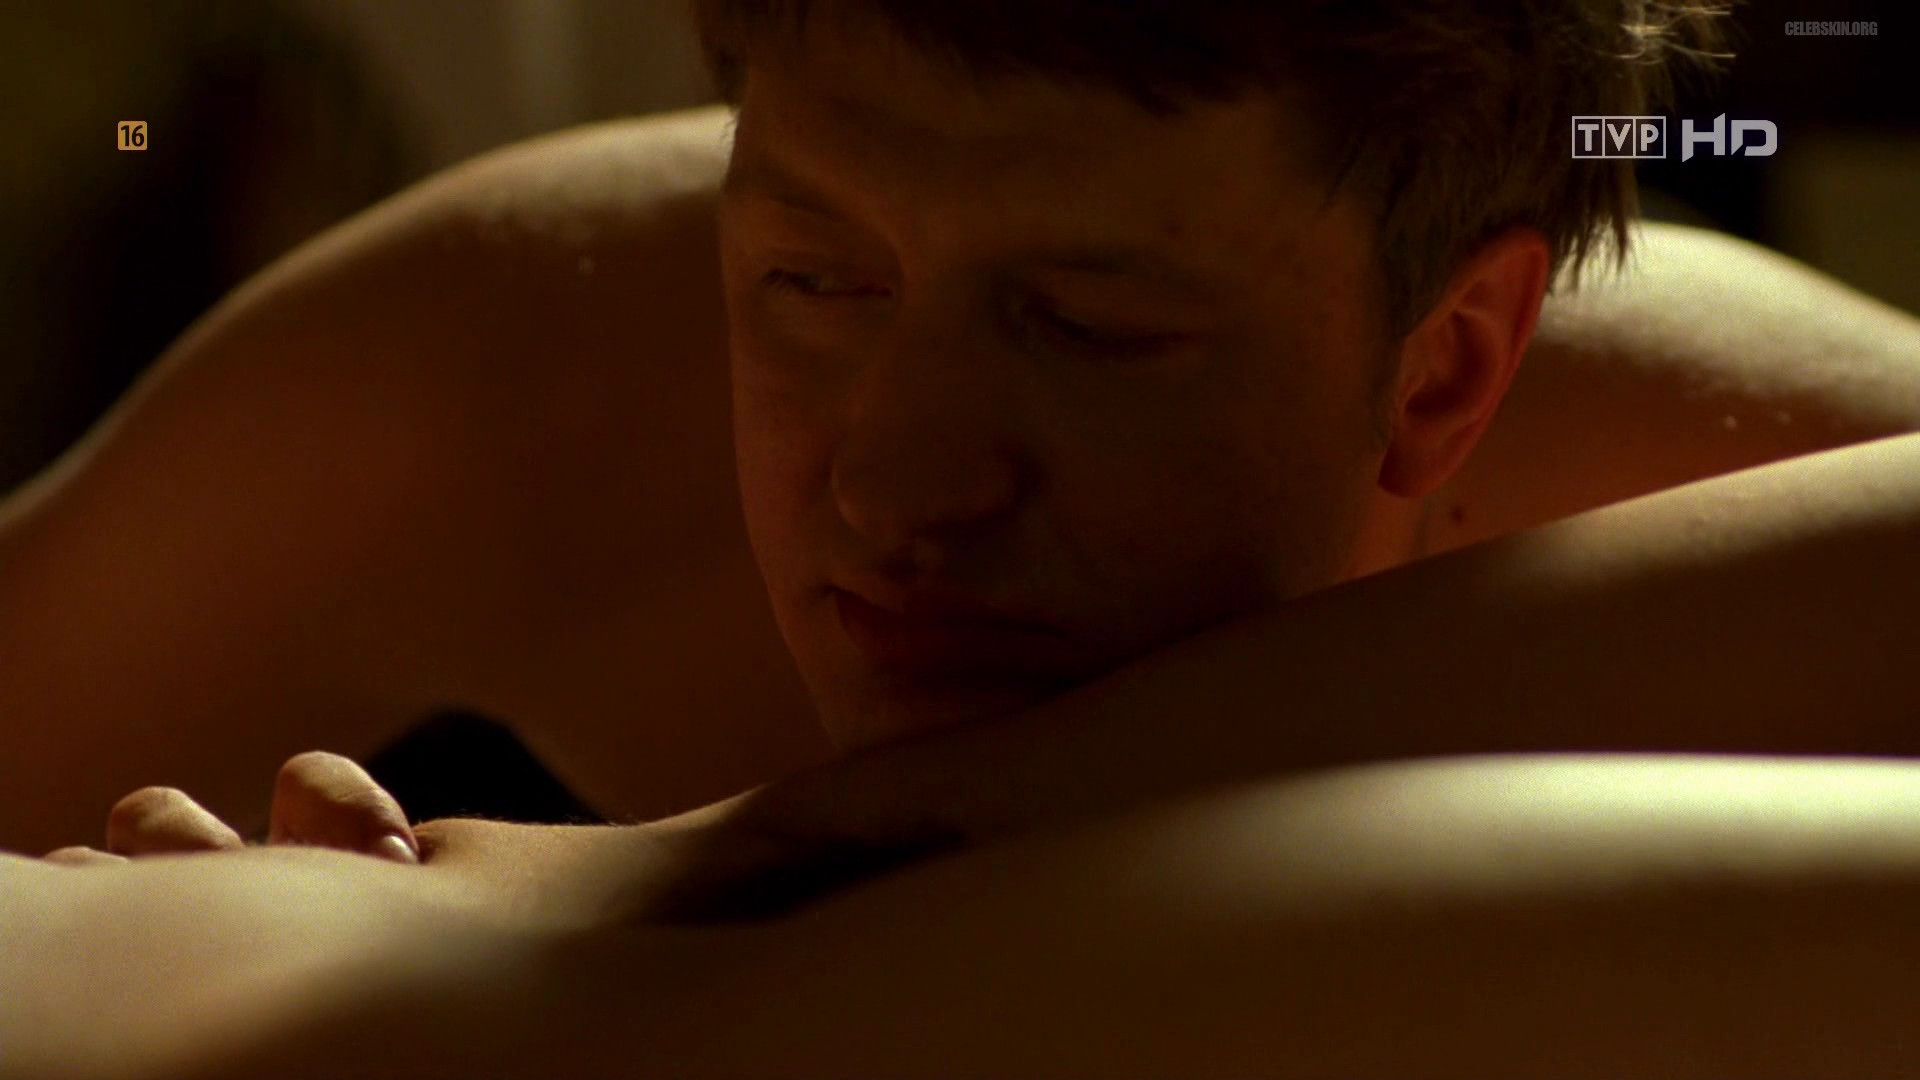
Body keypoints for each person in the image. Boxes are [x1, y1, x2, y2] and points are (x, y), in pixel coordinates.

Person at [5, 0, 1920, 1075]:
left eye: (1091, 329)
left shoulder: (1754, 471)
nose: (893, 490)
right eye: (813, 279)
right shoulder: (499, 385)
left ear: (1444, 372)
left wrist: (667, 899)